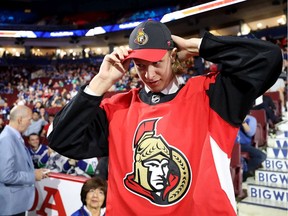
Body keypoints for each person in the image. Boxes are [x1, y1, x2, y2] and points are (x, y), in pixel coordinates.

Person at [48, 20, 282, 215]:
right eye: (140, 65)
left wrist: (199, 45)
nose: (148, 74)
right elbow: (61, 139)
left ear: (172, 55)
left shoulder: (211, 94)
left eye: (156, 63)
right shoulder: (117, 107)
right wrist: (100, 82)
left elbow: (268, 59)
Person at [0, 105, 48, 216]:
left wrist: (36, 171)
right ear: (20, 119)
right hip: (10, 206)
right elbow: (5, 175)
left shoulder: (12, 137)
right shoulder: (7, 139)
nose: (31, 123)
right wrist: (33, 176)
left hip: (15, 204)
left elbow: (17, 166)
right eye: (29, 119)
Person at [237, 115, 267, 181]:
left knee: (262, 156)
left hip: (243, 145)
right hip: (231, 143)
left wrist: (243, 122)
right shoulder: (231, 115)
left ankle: (245, 171)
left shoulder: (251, 119)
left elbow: (250, 133)